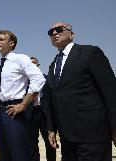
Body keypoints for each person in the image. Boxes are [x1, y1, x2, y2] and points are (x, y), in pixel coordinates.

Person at [43, 22, 116, 161]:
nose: (54, 33)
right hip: (67, 138)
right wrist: (51, 129)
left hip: (92, 136)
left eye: (58, 29)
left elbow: (110, 91)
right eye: (50, 32)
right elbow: (53, 98)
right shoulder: (53, 65)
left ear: (71, 34)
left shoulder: (90, 53)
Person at [0, 30, 45, 161]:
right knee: (5, 153)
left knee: (19, 151)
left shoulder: (20, 59)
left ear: (11, 43)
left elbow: (39, 79)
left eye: (1, 39)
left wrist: (23, 104)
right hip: (0, 112)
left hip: (15, 110)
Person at [28, 57, 56, 161]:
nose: (33, 65)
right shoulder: (25, 82)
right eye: (30, 64)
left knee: (50, 141)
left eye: (35, 63)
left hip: (45, 113)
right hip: (31, 113)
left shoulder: (47, 79)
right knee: (32, 142)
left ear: (38, 65)